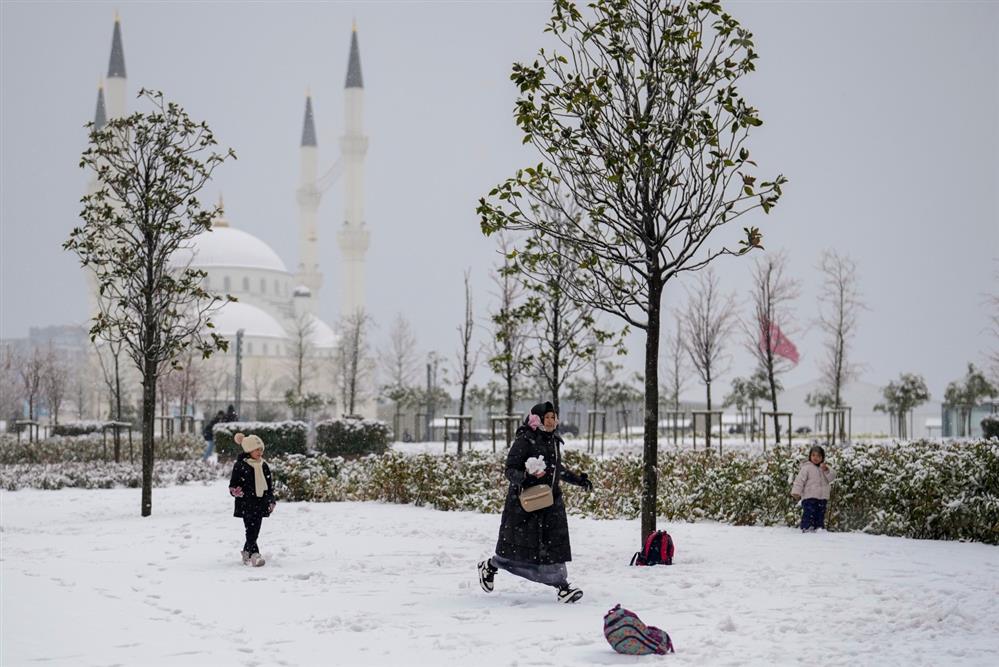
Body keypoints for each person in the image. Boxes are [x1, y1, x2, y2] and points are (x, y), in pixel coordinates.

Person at [478, 401, 594, 603]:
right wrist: (527, 475)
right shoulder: (526, 439)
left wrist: (578, 480)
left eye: (553, 417)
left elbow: (557, 469)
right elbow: (509, 469)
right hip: (526, 505)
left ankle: (563, 587)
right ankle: (491, 565)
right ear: (538, 419)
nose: (551, 421)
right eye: (546, 418)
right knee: (518, 550)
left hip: (551, 503)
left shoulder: (553, 440)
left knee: (553, 547)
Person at [228, 432, 276, 566]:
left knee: (255, 530)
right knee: (250, 528)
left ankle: (246, 552)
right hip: (246, 503)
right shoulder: (240, 465)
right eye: (257, 449)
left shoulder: (263, 465)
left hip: (261, 502)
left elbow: (269, 485)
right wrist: (236, 491)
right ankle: (255, 555)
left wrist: (271, 500)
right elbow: (233, 484)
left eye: (261, 449)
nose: (260, 452)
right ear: (249, 449)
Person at [791, 445, 835, 532]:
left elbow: (832, 477)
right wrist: (796, 492)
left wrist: (826, 470)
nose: (816, 458)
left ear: (822, 458)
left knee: (820, 514)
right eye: (813, 455)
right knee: (809, 513)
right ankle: (806, 527)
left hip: (822, 497)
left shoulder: (824, 468)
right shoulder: (806, 467)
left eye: (819, 456)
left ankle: (819, 528)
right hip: (809, 497)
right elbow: (800, 480)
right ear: (810, 456)